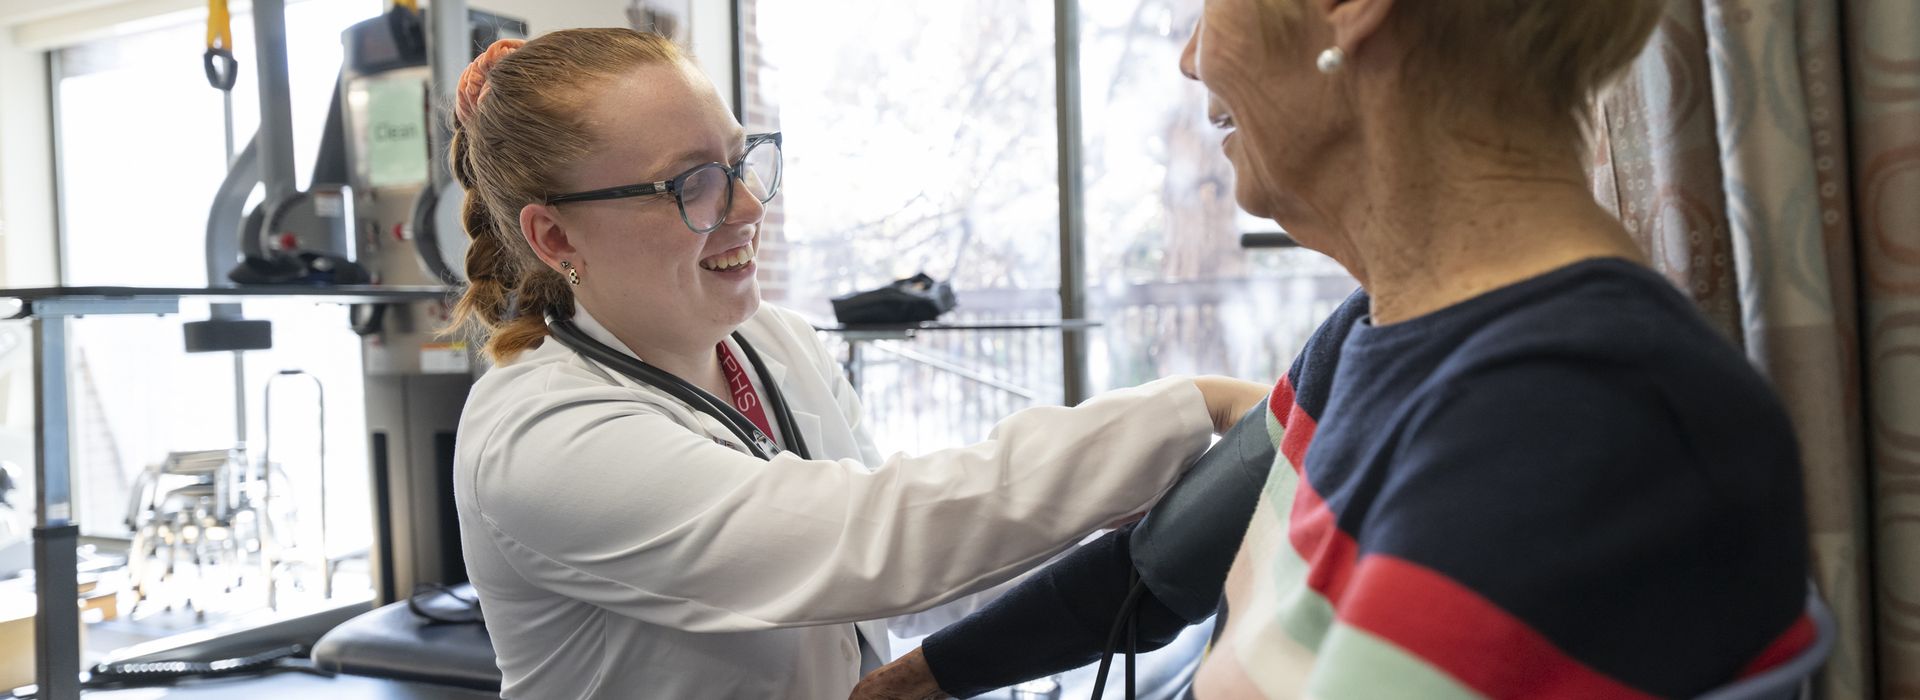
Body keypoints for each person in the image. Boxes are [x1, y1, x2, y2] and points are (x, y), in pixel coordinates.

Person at [853, 1, 1815, 698]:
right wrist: (915, 682)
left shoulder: (1578, 421)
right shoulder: (1369, 334)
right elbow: (1157, 570)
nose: (1190, 58)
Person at [443, 29, 1271, 699]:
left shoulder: (773, 343)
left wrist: (1111, 506)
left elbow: (909, 579)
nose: (748, 206)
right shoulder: (540, 436)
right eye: (691, 184)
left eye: (740, 161)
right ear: (556, 237)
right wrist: (1186, 408)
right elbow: (870, 537)